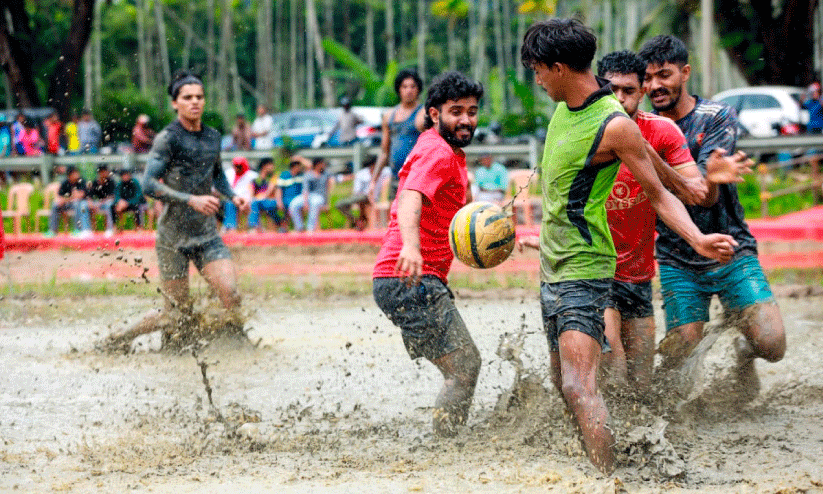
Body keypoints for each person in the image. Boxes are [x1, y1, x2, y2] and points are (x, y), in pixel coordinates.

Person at [518, 19, 738, 473]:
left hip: (585, 267)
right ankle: (590, 458)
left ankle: (609, 478)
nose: (536, 80)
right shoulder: (570, 106)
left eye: (538, 70)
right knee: (564, 382)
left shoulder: (613, 126)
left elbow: (657, 192)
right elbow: (653, 159)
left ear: (558, 67)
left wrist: (696, 237)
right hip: (552, 268)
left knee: (582, 386)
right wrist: (680, 178)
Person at [595, 50, 750, 394]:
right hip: (593, 268)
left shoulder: (661, 131)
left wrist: (710, 180)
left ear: (641, 93)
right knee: (612, 370)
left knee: (641, 386)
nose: (619, 99)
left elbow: (693, 195)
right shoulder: (580, 130)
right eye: (611, 90)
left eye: (629, 91)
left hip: (637, 272)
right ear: (598, 89)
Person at [638, 35, 786, 389]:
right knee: (679, 350)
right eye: (647, 79)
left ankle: (744, 350)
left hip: (729, 249)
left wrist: (711, 182)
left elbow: (702, 196)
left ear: (685, 73)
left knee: (772, 344)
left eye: (664, 75)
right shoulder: (639, 128)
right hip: (677, 257)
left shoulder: (716, 117)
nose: (654, 86)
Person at [373, 71, 484, 437]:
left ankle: (445, 441)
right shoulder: (437, 152)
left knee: (461, 366)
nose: (466, 119)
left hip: (405, 279)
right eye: (456, 111)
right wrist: (410, 245)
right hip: (407, 277)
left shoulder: (443, 149)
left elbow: (463, 215)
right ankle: (445, 448)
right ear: (434, 114)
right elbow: (409, 198)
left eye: (471, 111)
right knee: (464, 366)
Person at [105, 70, 249, 349]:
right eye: (187, 97)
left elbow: (216, 173)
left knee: (231, 294)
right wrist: (190, 199)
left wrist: (233, 196)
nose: (195, 102)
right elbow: (148, 184)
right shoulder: (167, 139)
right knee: (175, 315)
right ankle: (119, 340)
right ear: (175, 103)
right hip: (173, 238)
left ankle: (236, 347)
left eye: (200, 97)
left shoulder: (213, 136)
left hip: (206, 234)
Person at [370, 70, 426, 200]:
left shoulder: (424, 114)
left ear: (418, 89)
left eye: (413, 86)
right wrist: (373, 181)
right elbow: (384, 152)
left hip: (418, 177)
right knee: (395, 217)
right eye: (404, 86)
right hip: (396, 177)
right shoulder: (389, 116)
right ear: (399, 89)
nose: (409, 90)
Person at [336, 155, 388, 230]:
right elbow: (357, 192)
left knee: (364, 202)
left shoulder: (385, 171)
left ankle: (362, 223)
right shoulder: (362, 174)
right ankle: (357, 221)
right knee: (341, 204)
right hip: (363, 197)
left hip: (377, 198)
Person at [288, 157, 333, 232]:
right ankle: (300, 228)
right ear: (317, 165)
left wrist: (327, 202)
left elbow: (332, 184)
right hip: (308, 196)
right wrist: (305, 203)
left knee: (314, 203)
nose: (324, 165)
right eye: (322, 164)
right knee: (293, 204)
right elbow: (305, 190)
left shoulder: (326, 174)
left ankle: (310, 229)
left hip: (319, 197)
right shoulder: (308, 174)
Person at [47, 166, 92, 238]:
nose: (76, 175)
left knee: (77, 203)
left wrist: (68, 198)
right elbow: (60, 197)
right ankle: (52, 230)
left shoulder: (81, 181)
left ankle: (78, 229)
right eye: (74, 173)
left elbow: (80, 195)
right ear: (69, 175)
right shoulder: (65, 183)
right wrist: (67, 199)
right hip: (68, 204)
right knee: (55, 204)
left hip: (80, 204)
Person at [248, 158, 286, 232]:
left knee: (258, 203)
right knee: (254, 203)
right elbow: (251, 193)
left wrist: (261, 197)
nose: (273, 167)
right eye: (271, 165)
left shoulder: (274, 177)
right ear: (264, 166)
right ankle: (254, 227)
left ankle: (254, 227)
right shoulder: (256, 179)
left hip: (272, 201)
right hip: (259, 202)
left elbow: (270, 191)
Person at [223, 156, 258, 231]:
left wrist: (246, 201)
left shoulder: (252, 175)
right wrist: (235, 199)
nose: (237, 168)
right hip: (233, 199)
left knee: (254, 203)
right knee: (229, 204)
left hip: (248, 199)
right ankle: (231, 228)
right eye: (235, 166)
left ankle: (252, 227)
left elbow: (252, 191)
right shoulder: (228, 173)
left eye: (239, 166)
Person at [275, 157, 307, 229]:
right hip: (286, 200)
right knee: (288, 207)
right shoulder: (284, 175)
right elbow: (279, 190)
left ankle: (299, 227)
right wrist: (279, 202)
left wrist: (300, 159)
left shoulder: (301, 175)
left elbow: (310, 166)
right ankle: (284, 226)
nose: (299, 168)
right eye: (297, 166)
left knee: (297, 205)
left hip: (298, 199)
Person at [87, 164, 117, 236]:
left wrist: (100, 203)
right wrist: (90, 202)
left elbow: (112, 196)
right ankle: (87, 229)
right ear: (99, 173)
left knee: (109, 205)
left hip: (107, 203)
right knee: (86, 205)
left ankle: (110, 229)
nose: (105, 174)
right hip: (98, 203)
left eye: (106, 172)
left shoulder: (111, 182)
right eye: (103, 172)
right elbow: (89, 195)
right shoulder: (95, 182)